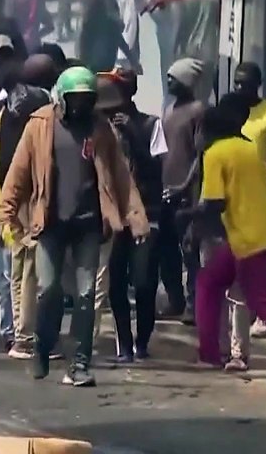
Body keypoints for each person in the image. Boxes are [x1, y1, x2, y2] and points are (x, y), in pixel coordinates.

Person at [0, 66, 149, 386]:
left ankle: (80, 363)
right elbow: (18, 174)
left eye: (86, 99)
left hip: (89, 224)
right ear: (61, 98)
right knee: (48, 291)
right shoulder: (39, 124)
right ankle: (42, 347)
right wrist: (5, 216)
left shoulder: (100, 128)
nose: (80, 105)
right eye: (74, 98)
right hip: (50, 223)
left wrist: (136, 219)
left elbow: (120, 176)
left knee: (85, 294)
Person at [195, 95, 266, 367]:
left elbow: (214, 203)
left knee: (261, 302)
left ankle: (210, 353)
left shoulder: (214, 154)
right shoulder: (248, 148)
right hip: (259, 231)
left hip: (247, 239)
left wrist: (190, 221)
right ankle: (210, 353)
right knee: (209, 281)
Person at [0, 53, 56, 359]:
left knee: (19, 273)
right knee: (15, 273)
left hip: (20, 205)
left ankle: (21, 334)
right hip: (11, 206)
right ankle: (14, 333)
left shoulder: (38, 114)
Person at [99, 72, 167, 362]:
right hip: (115, 217)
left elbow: (158, 169)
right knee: (115, 283)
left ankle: (142, 342)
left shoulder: (151, 125)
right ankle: (125, 345)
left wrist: (135, 136)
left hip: (147, 213)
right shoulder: (100, 129)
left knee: (144, 283)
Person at [160, 58, 207, 321]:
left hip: (187, 193)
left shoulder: (198, 111)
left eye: (173, 78)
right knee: (167, 249)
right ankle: (175, 299)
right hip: (167, 190)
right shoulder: (169, 109)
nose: (168, 82)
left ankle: (193, 305)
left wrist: (184, 187)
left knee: (190, 251)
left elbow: (199, 157)